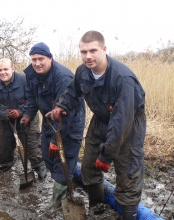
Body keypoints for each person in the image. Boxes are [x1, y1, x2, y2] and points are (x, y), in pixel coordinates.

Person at [46, 30, 146, 220]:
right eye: (83, 52)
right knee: (89, 168)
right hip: (101, 120)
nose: (88, 56)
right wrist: (61, 106)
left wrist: (107, 155)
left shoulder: (122, 79)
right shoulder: (83, 72)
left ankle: (129, 215)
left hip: (129, 126)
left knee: (128, 174)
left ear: (104, 49)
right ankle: (96, 208)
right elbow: (72, 92)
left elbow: (121, 122)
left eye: (93, 50)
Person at [21, 42, 86, 209]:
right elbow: (31, 98)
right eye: (34, 59)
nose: (37, 63)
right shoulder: (31, 74)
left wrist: (57, 141)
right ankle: (64, 182)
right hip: (49, 119)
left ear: (50, 58)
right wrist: (28, 114)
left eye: (41, 59)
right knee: (47, 155)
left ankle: (57, 202)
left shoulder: (62, 77)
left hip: (70, 121)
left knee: (64, 159)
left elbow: (65, 109)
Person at [0, 58, 46, 179]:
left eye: (6, 69)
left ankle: (41, 172)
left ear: (12, 69)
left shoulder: (24, 80)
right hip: (5, 119)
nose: (3, 72)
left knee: (32, 146)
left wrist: (21, 112)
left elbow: (33, 99)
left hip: (27, 118)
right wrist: (7, 113)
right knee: (3, 147)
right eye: (0, 70)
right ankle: (4, 176)